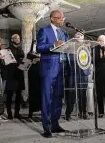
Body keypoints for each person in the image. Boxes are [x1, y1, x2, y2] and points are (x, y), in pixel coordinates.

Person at [37, 10, 68, 138]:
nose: (62, 20)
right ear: (52, 19)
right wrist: (53, 45)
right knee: (47, 98)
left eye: (63, 17)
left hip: (61, 68)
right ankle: (47, 128)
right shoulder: (44, 30)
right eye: (59, 18)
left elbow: (67, 48)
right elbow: (39, 47)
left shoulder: (63, 33)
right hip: (49, 69)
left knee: (58, 97)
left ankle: (55, 124)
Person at [65, 32, 90, 120]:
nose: (78, 36)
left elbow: (89, 60)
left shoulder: (87, 47)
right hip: (74, 72)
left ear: (83, 37)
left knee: (83, 94)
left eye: (80, 35)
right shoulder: (71, 47)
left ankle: (83, 113)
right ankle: (68, 114)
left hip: (83, 73)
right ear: (74, 38)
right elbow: (69, 59)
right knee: (72, 94)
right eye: (77, 35)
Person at [2, 34, 25, 119]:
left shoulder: (21, 49)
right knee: (9, 95)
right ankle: (9, 113)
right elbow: (5, 62)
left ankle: (17, 113)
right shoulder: (8, 50)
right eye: (16, 38)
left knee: (19, 95)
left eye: (19, 38)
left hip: (19, 74)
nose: (18, 39)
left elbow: (23, 60)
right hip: (11, 74)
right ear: (12, 39)